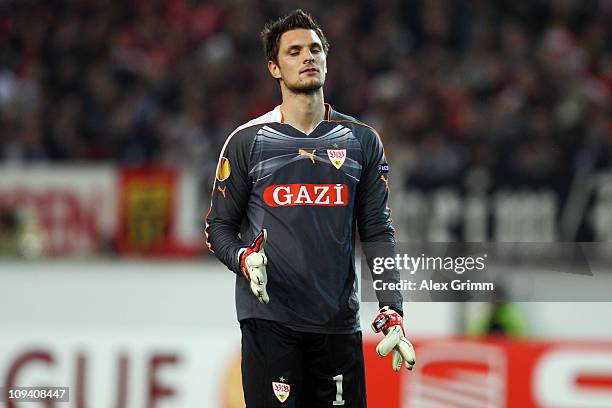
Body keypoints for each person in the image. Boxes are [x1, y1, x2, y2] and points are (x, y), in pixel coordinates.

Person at [205, 9, 415, 407]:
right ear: (274, 68)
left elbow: (377, 231)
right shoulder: (248, 141)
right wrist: (244, 259)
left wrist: (392, 307)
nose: (308, 57)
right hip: (270, 323)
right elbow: (218, 229)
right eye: (295, 51)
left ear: (326, 60)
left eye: (315, 49)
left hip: (337, 324)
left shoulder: (361, 141)